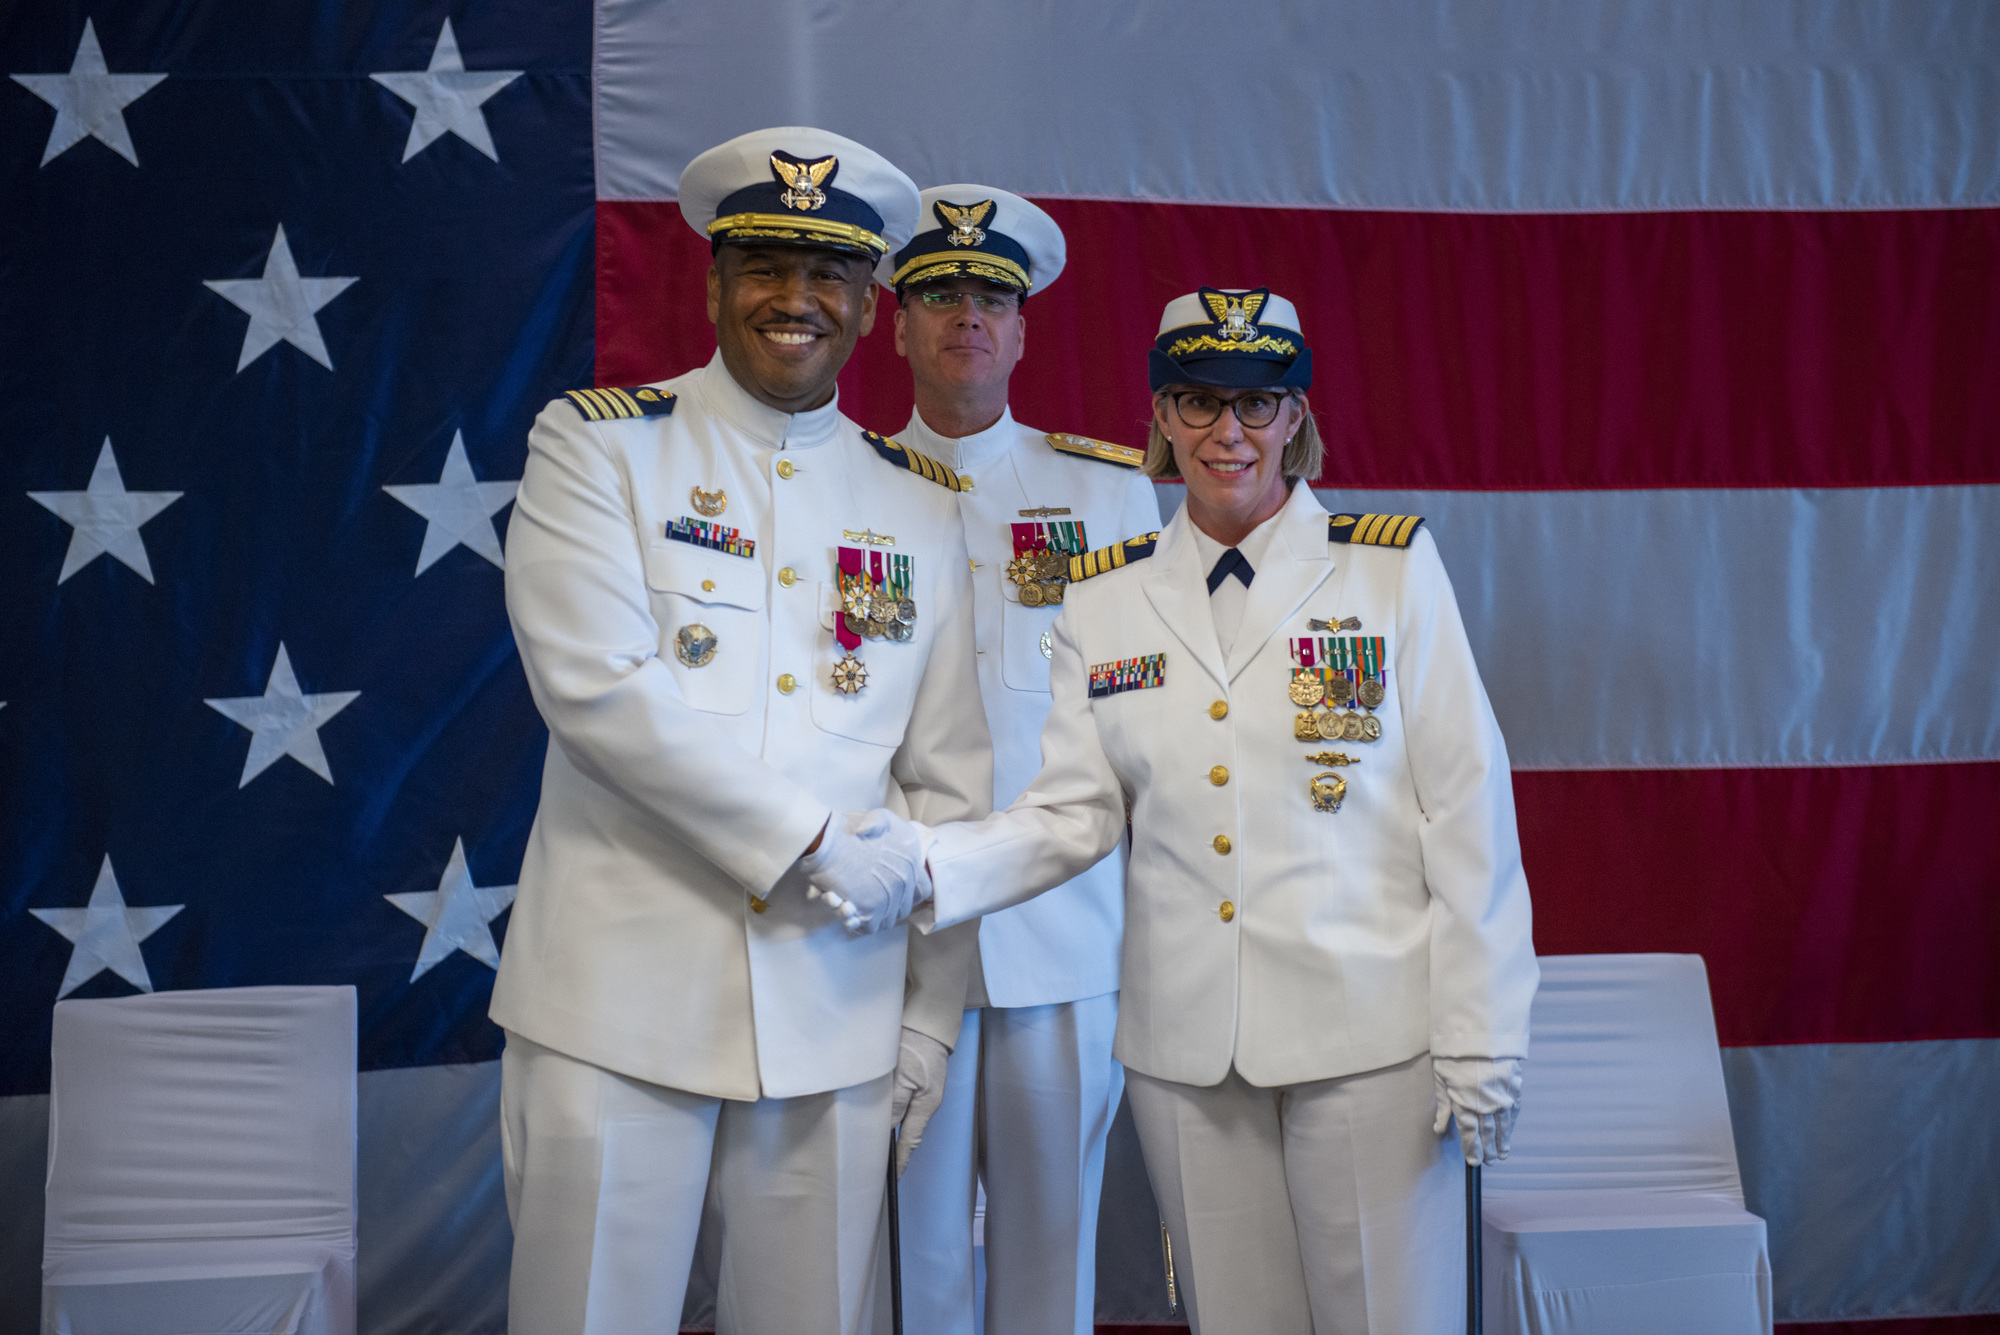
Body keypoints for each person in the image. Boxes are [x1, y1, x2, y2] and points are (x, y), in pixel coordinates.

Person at [809, 286, 1539, 1333]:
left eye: (1255, 403)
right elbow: (1071, 814)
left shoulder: (1387, 572)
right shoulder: (1105, 597)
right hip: (1188, 1053)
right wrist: (926, 864)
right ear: (1158, 416)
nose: (1225, 433)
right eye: (1196, 402)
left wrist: (1482, 1033)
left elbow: (1466, 814)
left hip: (1373, 1037)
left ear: (1295, 416)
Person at [490, 126, 991, 1335]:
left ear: (870, 308)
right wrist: (817, 839)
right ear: (714, 284)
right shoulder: (599, 444)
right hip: (615, 1006)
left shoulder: (920, 505)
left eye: (827, 277)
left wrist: (929, 1014)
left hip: (838, 1014)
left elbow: (948, 780)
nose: (794, 300)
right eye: (764, 267)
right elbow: (597, 692)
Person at [876, 186, 1162, 1335]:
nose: (966, 316)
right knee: (911, 1261)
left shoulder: (1100, 489)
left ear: (1023, 327)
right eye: (936, 294)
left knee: (1054, 1263)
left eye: (990, 295)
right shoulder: (846, 485)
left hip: (1063, 931)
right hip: (899, 932)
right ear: (892, 324)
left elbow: (1144, 711)